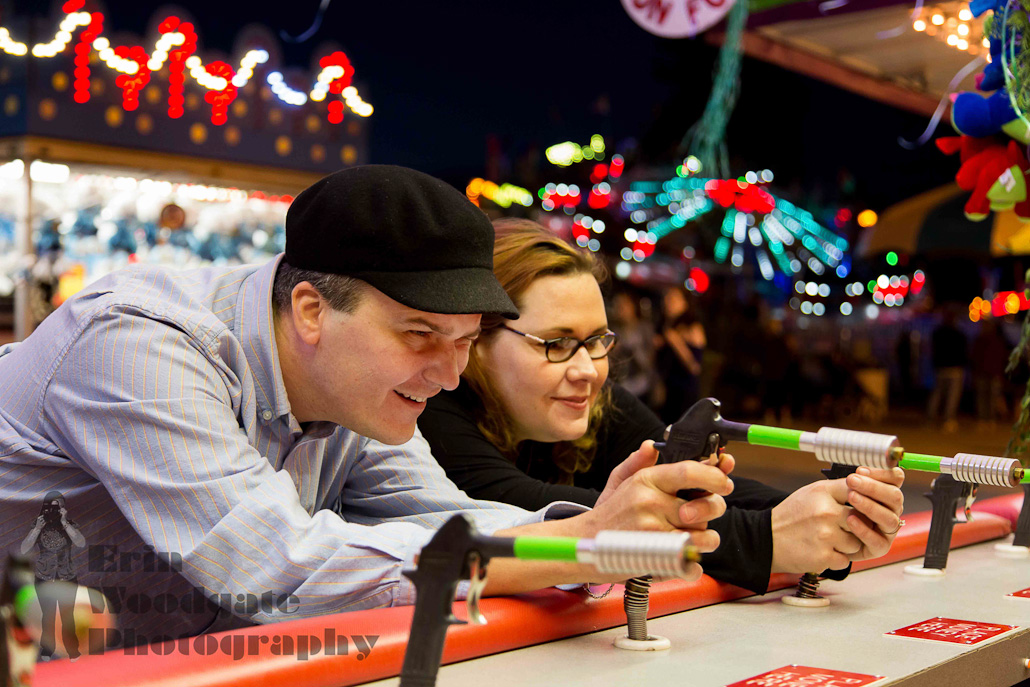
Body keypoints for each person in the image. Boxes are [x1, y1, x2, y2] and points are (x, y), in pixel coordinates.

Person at [0, 166, 732, 649]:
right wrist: (582, 544)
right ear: (312, 310)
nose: (449, 376)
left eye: (464, 341)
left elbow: (444, 517)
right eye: (419, 335)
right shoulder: (136, 344)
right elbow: (274, 565)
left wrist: (594, 534)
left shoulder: (355, 391)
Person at [418, 219, 906, 594]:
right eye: (556, 344)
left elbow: (695, 485)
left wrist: (839, 514)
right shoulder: (429, 414)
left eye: (596, 341)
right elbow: (557, 516)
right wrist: (770, 539)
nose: (588, 370)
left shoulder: (598, 404)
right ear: (474, 341)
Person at [19, 491, 86, 659]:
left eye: (59, 506)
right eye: (51, 506)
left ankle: (72, 649)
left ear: (64, 508)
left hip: (66, 576)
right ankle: (47, 648)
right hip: (44, 576)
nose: (54, 510)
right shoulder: (38, 524)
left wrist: (65, 522)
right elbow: (24, 549)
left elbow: (81, 543)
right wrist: (37, 528)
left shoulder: (69, 524)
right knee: (47, 616)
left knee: (68, 616)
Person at [655, 286, 706, 424]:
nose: (668, 303)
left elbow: (694, 367)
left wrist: (675, 341)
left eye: (674, 299)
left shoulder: (693, 327)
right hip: (667, 388)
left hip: (684, 390)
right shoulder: (663, 326)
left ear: (685, 303)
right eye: (667, 299)